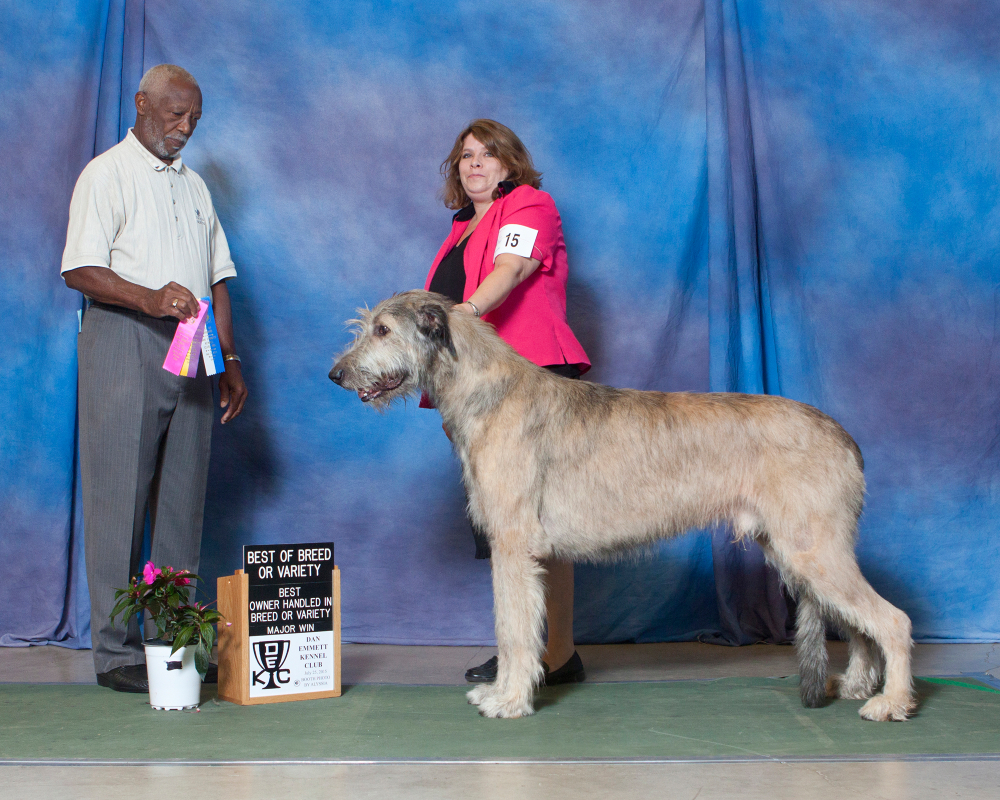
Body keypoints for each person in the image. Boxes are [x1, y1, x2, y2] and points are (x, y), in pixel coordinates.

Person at [61, 64, 247, 693]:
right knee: (117, 497)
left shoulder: (195, 186)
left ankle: (171, 640)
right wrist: (149, 299)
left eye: (194, 118)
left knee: (182, 499)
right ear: (141, 103)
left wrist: (229, 359)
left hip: (193, 350)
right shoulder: (105, 174)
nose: (185, 127)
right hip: (124, 340)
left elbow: (217, 274)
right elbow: (79, 269)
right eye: (174, 114)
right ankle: (115, 652)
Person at [425, 119, 590, 685]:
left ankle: (550, 652)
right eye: (465, 156)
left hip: (531, 377)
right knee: (513, 525)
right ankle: (538, 650)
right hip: (475, 392)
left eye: (487, 154)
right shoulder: (461, 228)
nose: (474, 164)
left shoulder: (529, 205)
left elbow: (512, 269)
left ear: (509, 162)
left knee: (544, 521)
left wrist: (464, 316)